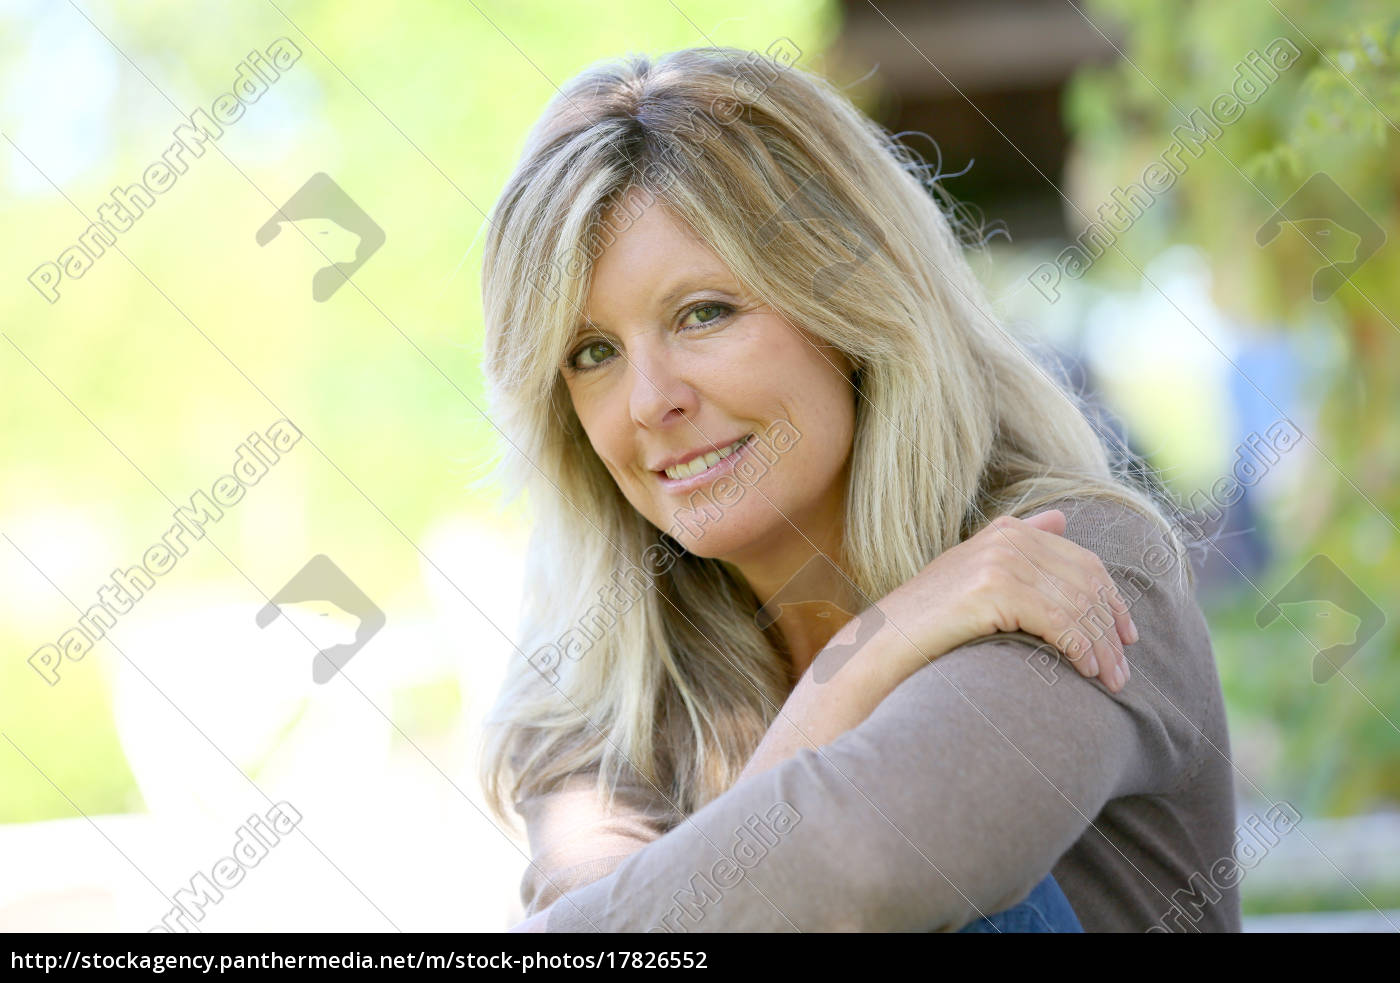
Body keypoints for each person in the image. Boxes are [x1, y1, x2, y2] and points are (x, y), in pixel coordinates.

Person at [477, 46, 1239, 933]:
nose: (651, 402)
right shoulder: (604, 694)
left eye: (705, 312)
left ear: (852, 308)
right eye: (592, 353)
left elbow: (872, 868)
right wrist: (870, 653)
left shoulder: (1075, 565)